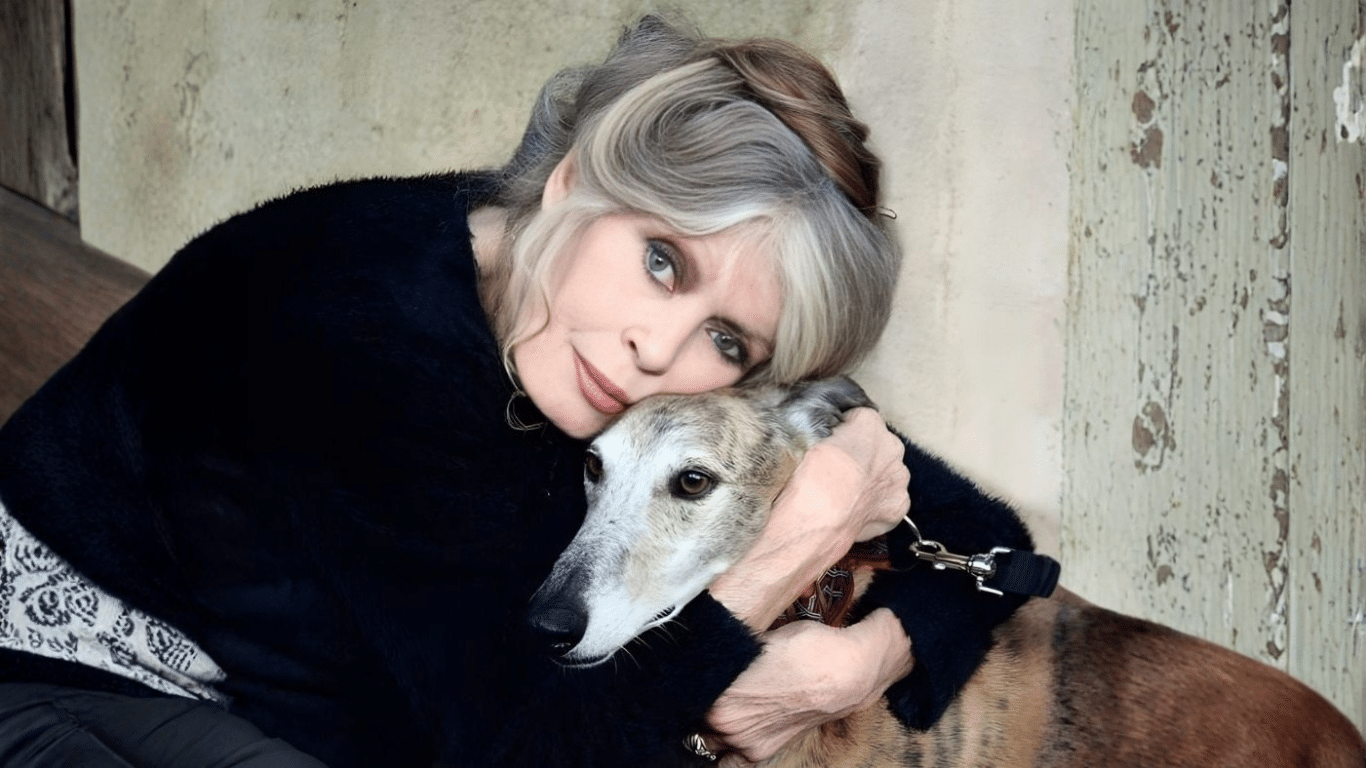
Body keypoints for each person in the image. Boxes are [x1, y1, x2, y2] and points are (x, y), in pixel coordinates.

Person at [0, 15, 1036, 768]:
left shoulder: (604, 339)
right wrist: (781, 557)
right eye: (663, 261)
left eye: (727, 336)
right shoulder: (352, 323)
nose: (656, 348)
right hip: (64, 682)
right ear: (576, 181)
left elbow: (988, 547)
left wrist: (859, 663)